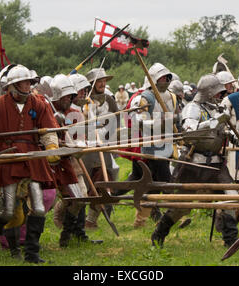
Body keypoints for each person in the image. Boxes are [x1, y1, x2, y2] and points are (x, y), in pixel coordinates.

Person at [151, 73, 239, 249]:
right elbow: (190, 132)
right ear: (207, 92)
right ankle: (158, 234)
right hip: (194, 163)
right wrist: (215, 121)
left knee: (231, 198)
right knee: (181, 207)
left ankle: (231, 240)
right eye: (217, 93)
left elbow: (223, 132)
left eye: (221, 93)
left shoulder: (217, 109)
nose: (220, 96)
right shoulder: (193, 108)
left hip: (216, 165)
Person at [0, 64, 60, 264]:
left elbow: (49, 128)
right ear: (12, 86)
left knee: (39, 208)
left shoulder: (39, 104)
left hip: (32, 158)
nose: (27, 86)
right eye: (23, 82)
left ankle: (32, 253)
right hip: (8, 158)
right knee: (7, 211)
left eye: (29, 82)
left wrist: (51, 147)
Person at [49, 74, 103, 247]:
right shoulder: (47, 112)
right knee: (45, 200)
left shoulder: (76, 113)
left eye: (70, 96)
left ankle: (71, 234)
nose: (69, 99)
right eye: (65, 96)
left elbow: (79, 139)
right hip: (50, 163)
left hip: (71, 162)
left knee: (81, 197)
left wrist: (81, 145)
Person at [128, 63, 178, 228]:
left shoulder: (171, 96)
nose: (165, 80)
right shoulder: (145, 97)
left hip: (167, 145)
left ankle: (140, 221)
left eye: (167, 77)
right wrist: (160, 123)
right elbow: (138, 122)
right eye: (162, 78)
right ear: (154, 80)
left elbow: (176, 117)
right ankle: (175, 215)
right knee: (166, 182)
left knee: (155, 187)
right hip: (151, 147)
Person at [82, 67, 119, 229]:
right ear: (92, 83)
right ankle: (67, 216)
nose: (103, 83)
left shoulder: (110, 99)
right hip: (87, 148)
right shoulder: (84, 100)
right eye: (99, 81)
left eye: (104, 81)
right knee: (83, 187)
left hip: (104, 146)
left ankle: (91, 220)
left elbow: (116, 119)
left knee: (105, 182)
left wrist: (107, 132)